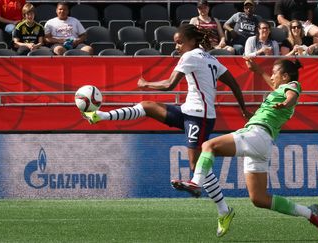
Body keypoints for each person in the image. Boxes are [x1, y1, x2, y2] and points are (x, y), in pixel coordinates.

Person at [81, 24, 251, 238]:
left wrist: (146, 83)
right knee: (148, 106)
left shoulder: (190, 56)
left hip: (200, 117)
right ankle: (100, 116)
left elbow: (170, 85)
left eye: (179, 42)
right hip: (189, 111)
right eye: (175, 42)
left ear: (191, 41)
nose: (176, 45)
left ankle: (222, 209)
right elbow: (235, 83)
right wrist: (244, 108)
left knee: (195, 164)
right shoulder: (211, 59)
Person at [171, 58, 318, 236]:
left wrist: (285, 103)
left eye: (275, 72)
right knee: (259, 199)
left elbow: (292, 96)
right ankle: (309, 213)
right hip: (263, 143)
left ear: (285, 76)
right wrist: (259, 71)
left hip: (258, 135)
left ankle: (196, 183)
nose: (272, 76)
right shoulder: (281, 89)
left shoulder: (292, 85)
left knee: (208, 145)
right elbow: (280, 89)